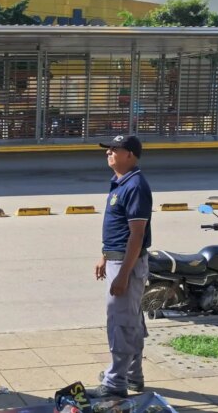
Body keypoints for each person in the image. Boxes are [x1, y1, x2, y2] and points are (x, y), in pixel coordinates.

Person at [86, 135, 152, 399]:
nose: (109, 153)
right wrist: (105, 255)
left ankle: (115, 382)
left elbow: (137, 235)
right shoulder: (121, 182)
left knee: (121, 323)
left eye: (115, 149)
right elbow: (118, 228)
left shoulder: (135, 185)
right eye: (108, 149)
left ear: (130, 155)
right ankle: (132, 375)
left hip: (127, 263)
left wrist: (123, 274)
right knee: (131, 320)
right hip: (117, 258)